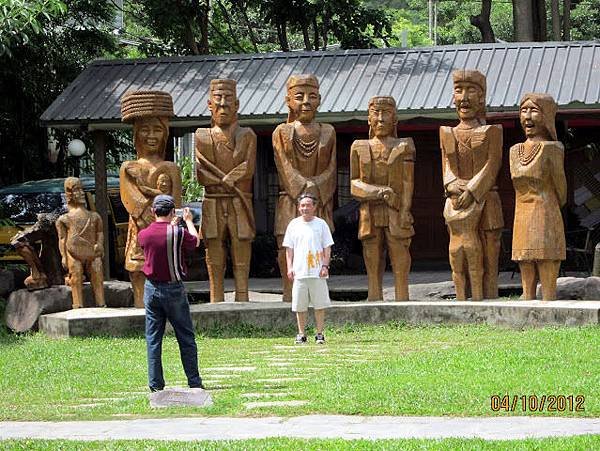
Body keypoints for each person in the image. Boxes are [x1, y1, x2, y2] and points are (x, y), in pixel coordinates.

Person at [440, 69, 504, 301]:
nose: (464, 97)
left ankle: (487, 293)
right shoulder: (446, 132)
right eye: (459, 90)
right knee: (458, 251)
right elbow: (446, 165)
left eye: (471, 90)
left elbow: (492, 164)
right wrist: (452, 184)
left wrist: (473, 190)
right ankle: (462, 294)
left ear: (482, 97)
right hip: (457, 201)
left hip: (486, 199)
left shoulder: (492, 131)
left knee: (488, 250)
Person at [273, 74, 336, 302]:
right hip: (289, 200)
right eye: (299, 96)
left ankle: (318, 290)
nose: (306, 101)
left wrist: (315, 186)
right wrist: (303, 186)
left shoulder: (328, 131)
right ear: (288, 100)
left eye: (312, 96)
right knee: (286, 246)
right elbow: (283, 166)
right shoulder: (281, 132)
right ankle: (289, 292)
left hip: (319, 200)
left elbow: (332, 167)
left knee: (320, 246)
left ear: (319, 100)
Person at [120, 90, 183, 308]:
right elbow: (131, 201)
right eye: (145, 130)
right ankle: (141, 305)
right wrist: (153, 220)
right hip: (139, 229)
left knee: (166, 269)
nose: (152, 135)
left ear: (165, 134)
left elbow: (176, 202)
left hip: (165, 230)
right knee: (138, 268)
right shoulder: (129, 167)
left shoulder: (171, 168)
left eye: (157, 129)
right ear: (136, 134)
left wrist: (166, 221)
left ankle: (167, 307)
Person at [195, 78, 256, 303]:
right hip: (213, 201)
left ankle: (242, 296)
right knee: (214, 250)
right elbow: (201, 173)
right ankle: (216, 297)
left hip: (240, 201)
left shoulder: (247, 135)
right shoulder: (202, 136)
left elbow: (248, 168)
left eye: (228, 99)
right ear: (209, 104)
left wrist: (231, 178)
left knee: (241, 246)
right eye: (218, 99)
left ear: (237, 104)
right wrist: (224, 181)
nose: (223, 104)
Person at [350, 95, 415, 301]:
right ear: (368, 119)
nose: (380, 119)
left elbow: (407, 183)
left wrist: (405, 210)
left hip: (396, 211)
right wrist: (380, 192)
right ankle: (374, 295)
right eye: (375, 113)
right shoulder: (359, 147)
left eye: (385, 113)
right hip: (369, 212)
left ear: (395, 119)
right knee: (372, 255)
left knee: (399, 253)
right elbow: (353, 184)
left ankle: (402, 295)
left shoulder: (404, 145)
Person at [138, 194, 204, 392]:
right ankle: (194, 381)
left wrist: (173, 225)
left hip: (151, 288)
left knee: (153, 338)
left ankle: (155, 384)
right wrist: (189, 221)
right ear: (172, 211)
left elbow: (158, 241)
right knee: (185, 337)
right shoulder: (178, 232)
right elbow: (195, 241)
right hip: (174, 288)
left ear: (153, 211)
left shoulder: (144, 234)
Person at [510, 93, 566, 301]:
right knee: (525, 260)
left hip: (545, 212)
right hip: (521, 214)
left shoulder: (552, 149)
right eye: (523, 111)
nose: (527, 116)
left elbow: (561, 190)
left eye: (534, 110)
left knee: (546, 259)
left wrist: (549, 205)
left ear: (547, 116)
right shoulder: (514, 151)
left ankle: (549, 299)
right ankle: (527, 298)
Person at [282, 193, 334, 344]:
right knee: (299, 305)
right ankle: (301, 333)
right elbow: (289, 249)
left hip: (317, 271)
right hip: (299, 272)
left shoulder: (321, 224)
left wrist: (325, 265)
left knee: (319, 304)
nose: (305, 208)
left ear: (314, 207)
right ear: (298, 208)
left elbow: (327, 247)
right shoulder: (293, 225)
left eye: (308, 205)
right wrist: (289, 267)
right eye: (302, 205)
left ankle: (319, 334)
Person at [56, 177, 106, 309]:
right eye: (77, 190)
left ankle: (101, 302)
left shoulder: (95, 216)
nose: (82, 193)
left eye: (82, 190)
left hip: (92, 252)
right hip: (73, 253)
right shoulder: (64, 219)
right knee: (76, 273)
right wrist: (64, 256)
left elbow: (100, 233)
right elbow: (62, 239)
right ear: (69, 193)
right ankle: (77, 304)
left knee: (97, 269)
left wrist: (100, 244)